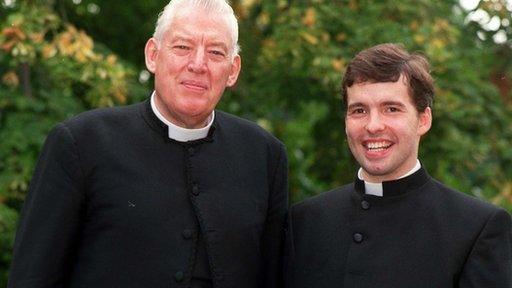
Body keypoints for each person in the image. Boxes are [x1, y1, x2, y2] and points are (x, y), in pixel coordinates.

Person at [8, 0, 288, 287]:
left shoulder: (264, 156)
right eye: (182, 47)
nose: (198, 64)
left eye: (216, 52)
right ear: (153, 55)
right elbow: (32, 277)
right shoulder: (81, 143)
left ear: (233, 70)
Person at [285, 43, 512, 288]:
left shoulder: (476, 228)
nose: (373, 126)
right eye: (359, 110)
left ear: (423, 120)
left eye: (391, 109)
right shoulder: (304, 222)